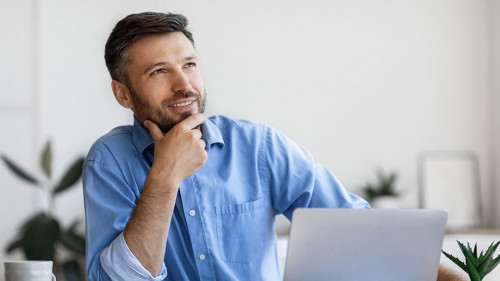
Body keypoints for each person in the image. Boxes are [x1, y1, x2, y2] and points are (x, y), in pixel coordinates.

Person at [83, 12, 467, 281]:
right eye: (159, 71)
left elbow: (359, 227)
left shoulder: (258, 147)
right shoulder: (110, 161)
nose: (184, 84)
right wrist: (165, 177)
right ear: (123, 94)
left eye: (190, 64)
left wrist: (448, 278)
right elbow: (116, 279)